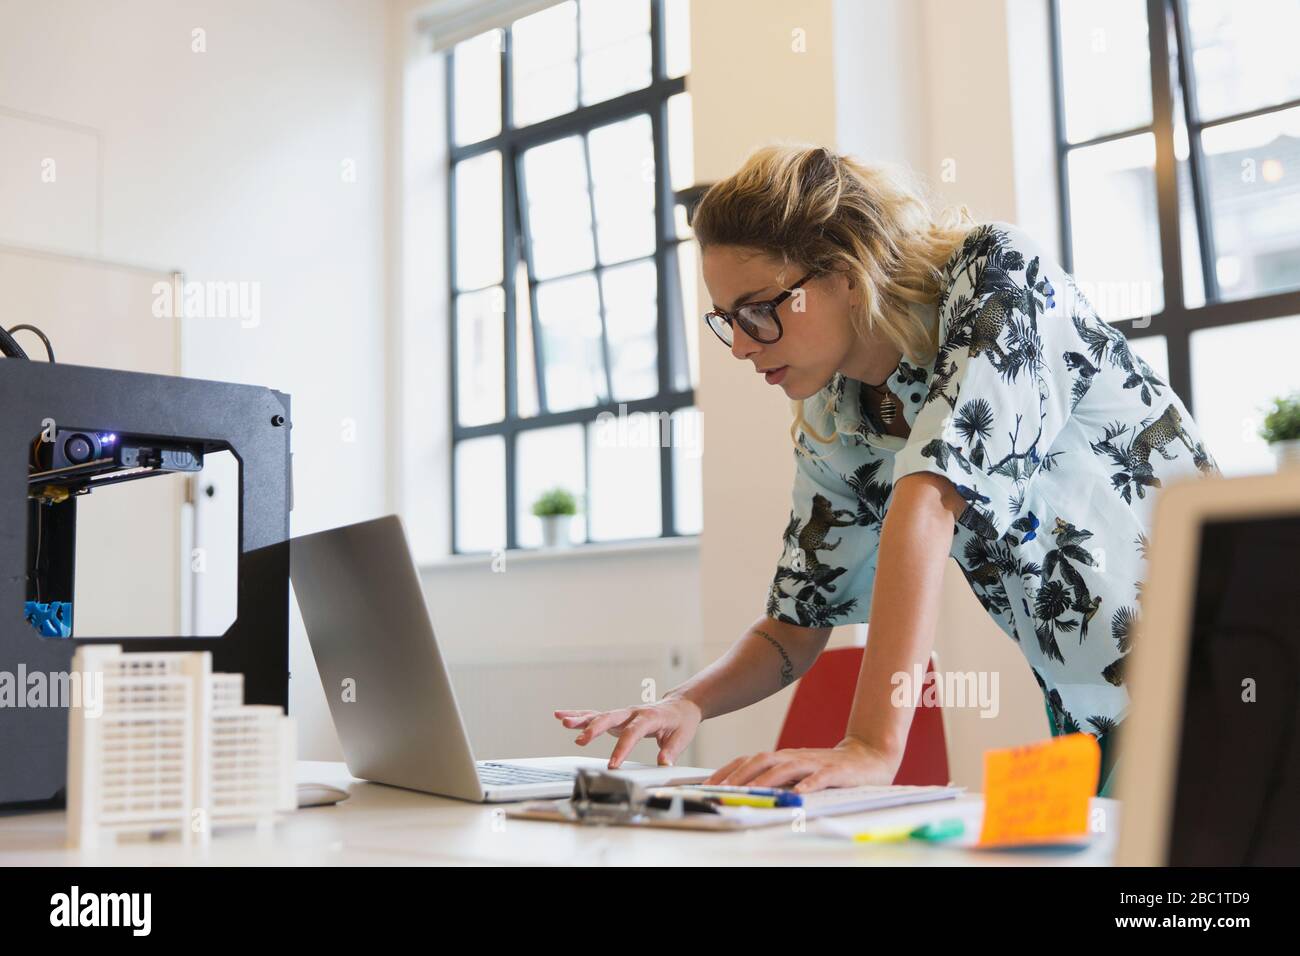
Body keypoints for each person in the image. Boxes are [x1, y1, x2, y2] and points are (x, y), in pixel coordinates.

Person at [554, 144, 1219, 796]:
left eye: (760, 309)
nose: (741, 345)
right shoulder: (839, 415)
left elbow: (929, 499)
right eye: (729, 321)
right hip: (1097, 715)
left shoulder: (996, 274)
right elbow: (797, 621)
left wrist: (871, 747)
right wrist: (686, 704)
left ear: (843, 270)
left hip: (1229, 660)